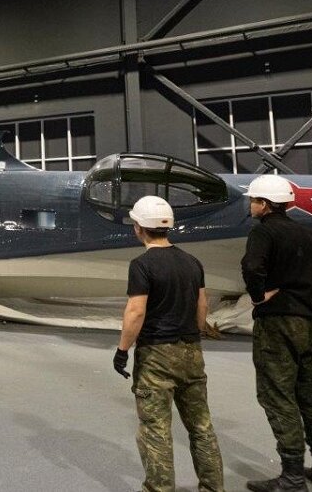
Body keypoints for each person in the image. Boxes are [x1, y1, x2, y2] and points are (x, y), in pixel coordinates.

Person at [242, 175, 312, 492]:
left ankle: (291, 476)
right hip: (308, 323)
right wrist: (310, 293)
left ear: (264, 204)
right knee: (309, 396)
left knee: (277, 396)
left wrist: (259, 296)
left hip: (277, 324)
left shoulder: (263, 232)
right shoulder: (307, 234)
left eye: (253, 200)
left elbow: (252, 267)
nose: (251, 205)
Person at [115, 195, 224, 492]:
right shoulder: (192, 262)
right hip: (191, 352)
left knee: (156, 430)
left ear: (139, 228)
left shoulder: (142, 265)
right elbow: (202, 306)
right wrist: (194, 334)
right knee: (201, 427)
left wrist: (122, 350)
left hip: (156, 357)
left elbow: (136, 312)